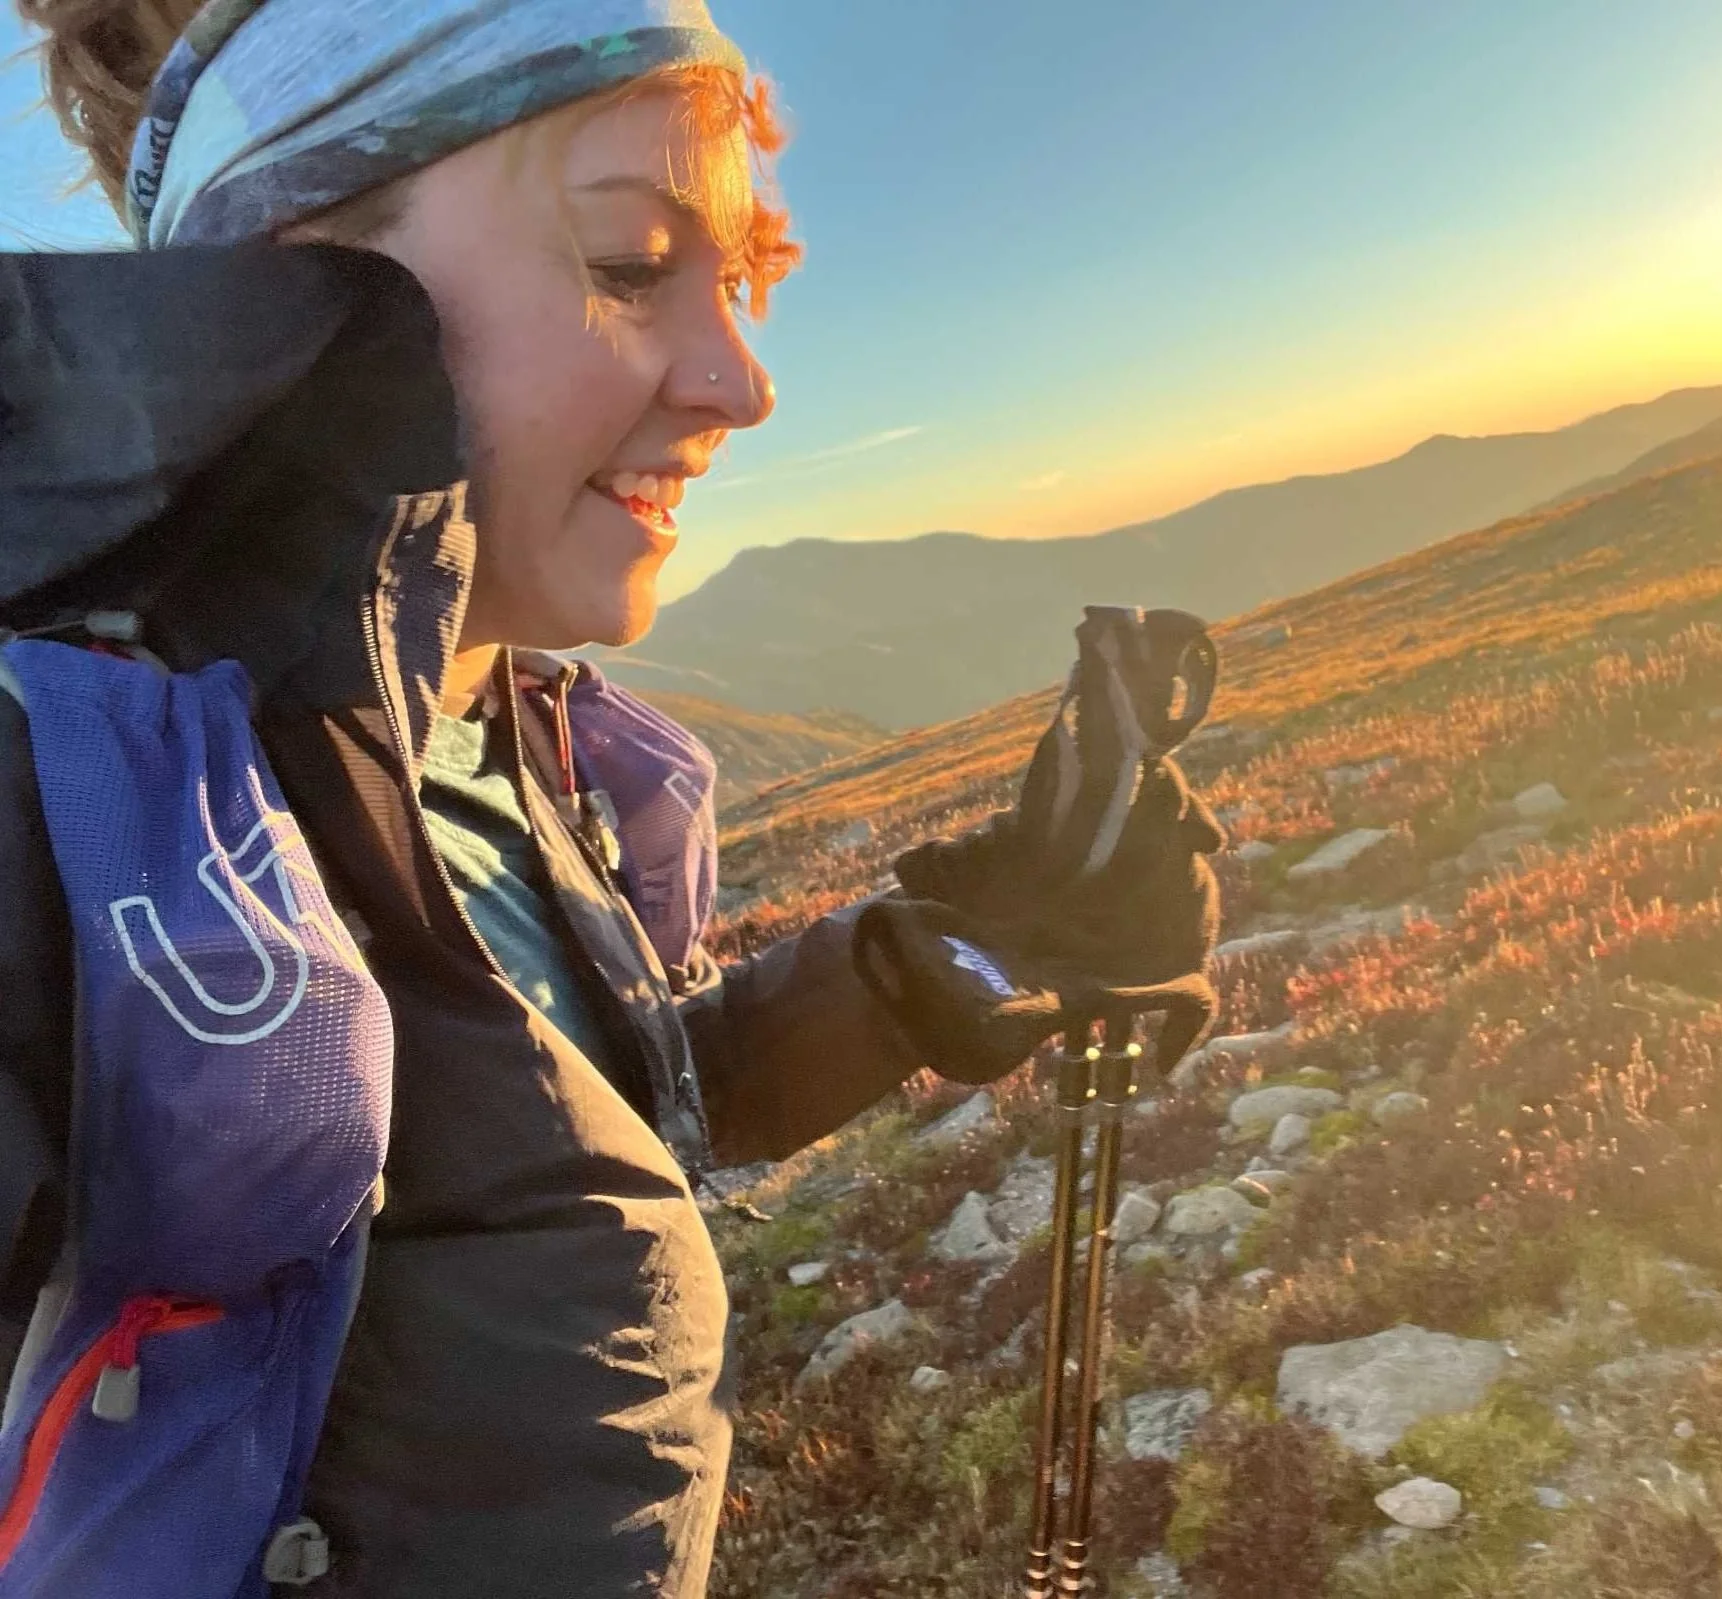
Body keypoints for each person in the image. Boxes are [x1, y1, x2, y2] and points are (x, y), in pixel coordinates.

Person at [0, 3, 1218, 1595]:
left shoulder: (512, 741)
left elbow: (577, 1123)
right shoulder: (67, 812)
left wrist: (963, 944)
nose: (742, 383)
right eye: (633, 265)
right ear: (298, 276)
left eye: (741, 281)